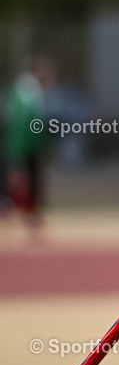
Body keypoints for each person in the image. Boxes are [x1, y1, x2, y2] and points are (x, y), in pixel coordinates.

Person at [5, 56, 56, 241]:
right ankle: (26, 217)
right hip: (26, 147)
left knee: (32, 184)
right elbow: (28, 123)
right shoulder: (28, 91)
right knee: (27, 184)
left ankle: (31, 219)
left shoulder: (29, 90)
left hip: (27, 145)